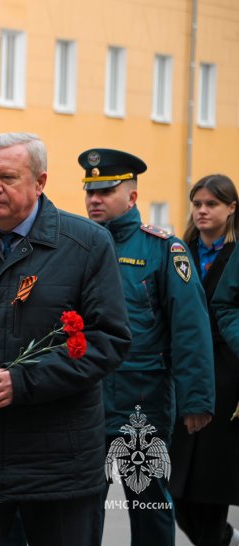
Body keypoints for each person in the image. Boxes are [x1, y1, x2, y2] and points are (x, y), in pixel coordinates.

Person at [0, 132, 131, 546]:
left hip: (59, 465)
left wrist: (22, 382)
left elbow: (107, 340)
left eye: (8, 177)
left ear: (40, 182)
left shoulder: (86, 244)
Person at [80, 148, 215, 546]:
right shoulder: (79, 245)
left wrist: (196, 400)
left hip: (144, 399)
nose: (94, 200)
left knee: (148, 503)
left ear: (133, 197)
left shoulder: (162, 250)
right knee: (82, 505)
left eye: (105, 191)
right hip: (86, 398)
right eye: (90, 192)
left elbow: (190, 328)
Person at [173, 175, 239, 546]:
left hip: (227, 377)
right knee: (177, 489)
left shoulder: (236, 253)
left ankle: (218, 536)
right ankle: (224, 538)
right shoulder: (179, 251)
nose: (201, 210)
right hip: (184, 374)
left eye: (211, 204)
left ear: (231, 208)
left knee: (210, 487)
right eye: (197, 203)